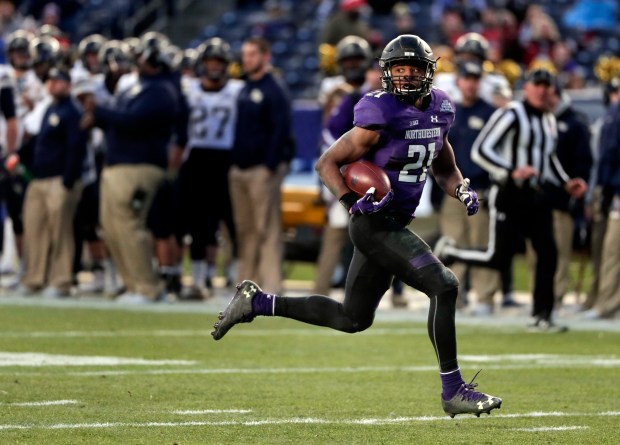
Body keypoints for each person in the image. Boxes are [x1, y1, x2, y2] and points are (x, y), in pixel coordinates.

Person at [213, 34, 502, 418]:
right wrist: (351, 202)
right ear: (386, 73)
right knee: (444, 285)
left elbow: (444, 166)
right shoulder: (379, 113)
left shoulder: (440, 110)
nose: (405, 77)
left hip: (395, 221)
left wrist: (461, 189)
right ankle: (453, 390)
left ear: (428, 73)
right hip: (373, 223)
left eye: (412, 69)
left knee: (352, 318)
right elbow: (326, 163)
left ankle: (257, 302)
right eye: (398, 70)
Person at [435, 68, 588, 332]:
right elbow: (481, 149)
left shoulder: (548, 119)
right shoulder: (512, 113)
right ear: (526, 88)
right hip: (509, 193)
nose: (541, 90)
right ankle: (450, 252)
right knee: (499, 258)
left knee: (548, 253)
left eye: (546, 86)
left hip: (536, 195)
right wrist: (510, 170)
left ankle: (542, 315)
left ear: (552, 90)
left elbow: (547, 158)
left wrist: (565, 182)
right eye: (537, 84)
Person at [80, 42, 180, 303]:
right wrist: (98, 116)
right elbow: (120, 119)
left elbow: (132, 121)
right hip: (118, 164)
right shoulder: (135, 86)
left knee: (130, 224)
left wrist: (98, 110)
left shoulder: (161, 90)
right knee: (111, 227)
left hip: (139, 165)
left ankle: (148, 287)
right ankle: (132, 284)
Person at [174, 37, 243, 299]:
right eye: (210, 62)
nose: (214, 67)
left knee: (231, 221)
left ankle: (236, 278)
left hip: (226, 158)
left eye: (219, 62)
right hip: (196, 159)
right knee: (197, 223)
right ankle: (199, 279)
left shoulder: (237, 90)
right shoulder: (188, 88)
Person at [228, 36, 293, 295]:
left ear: (266, 57)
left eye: (253, 54)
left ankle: (271, 285)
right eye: (245, 54)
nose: (247, 59)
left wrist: (270, 165)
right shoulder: (243, 88)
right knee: (245, 229)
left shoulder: (274, 89)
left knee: (267, 228)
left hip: (261, 170)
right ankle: (246, 285)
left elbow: (281, 130)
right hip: (240, 168)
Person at [437, 60, 501, 315]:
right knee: (453, 243)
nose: (471, 84)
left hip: (481, 190)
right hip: (452, 191)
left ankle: (485, 297)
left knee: (481, 243)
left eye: (475, 79)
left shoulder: (491, 113)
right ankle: (456, 295)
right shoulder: (449, 112)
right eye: (467, 78)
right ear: (459, 82)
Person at [17, 67, 87, 297]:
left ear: (68, 85)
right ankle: (34, 278)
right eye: (51, 81)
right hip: (39, 179)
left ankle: (61, 280)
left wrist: (68, 179)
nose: (52, 85)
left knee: (60, 231)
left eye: (58, 82)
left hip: (59, 179)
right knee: (34, 229)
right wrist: (18, 155)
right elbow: (40, 141)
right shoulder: (50, 108)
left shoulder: (73, 111)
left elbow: (75, 147)